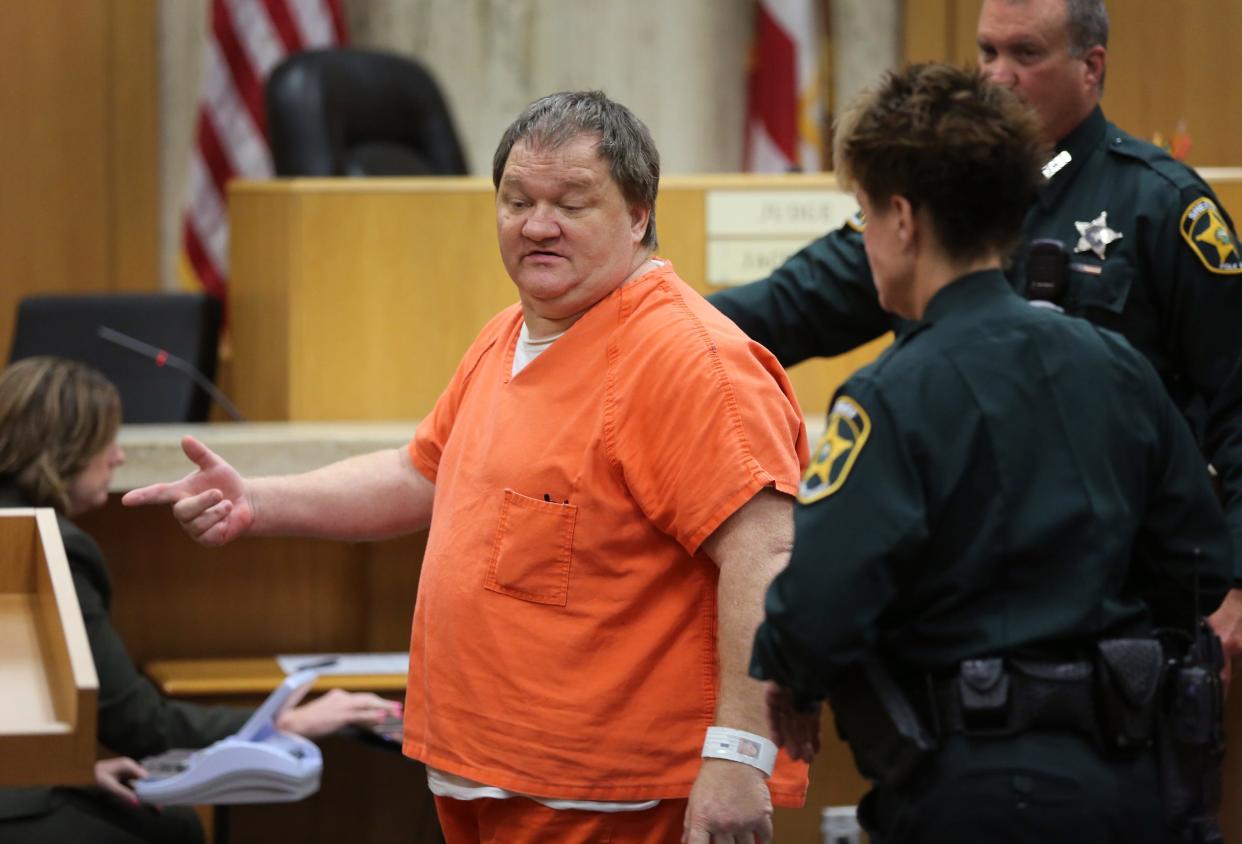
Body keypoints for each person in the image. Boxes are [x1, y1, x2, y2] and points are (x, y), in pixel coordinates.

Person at [124, 91, 810, 843]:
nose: (536, 225)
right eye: (517, 200)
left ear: (639, 213)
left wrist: (739, 754)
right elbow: (420, 473)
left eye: (571, 203)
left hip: (611, 796)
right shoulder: (509, 332)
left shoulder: (688, 359)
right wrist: (256, 500)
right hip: (487, 773)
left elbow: (767, 557)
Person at [747, 63, 1233, 843]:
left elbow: (817, 607)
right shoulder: (1118, 369)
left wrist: (794, 680)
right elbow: (1196, 564)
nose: (866, 239)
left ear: (903, 220)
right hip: (1132, 781)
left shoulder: (889, 399)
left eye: (866, 216)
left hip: (968, 786)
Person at [710, 0, 1242, 670]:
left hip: (1114, 600)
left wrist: (1237, 580)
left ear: (1091, 67)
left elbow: (1235, 404)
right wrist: (646, 320)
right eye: (988, 52)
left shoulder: (1159, 206)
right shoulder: (941, 189)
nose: (998, 75)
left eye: (1026, 54)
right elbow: (789, 304)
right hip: (962, 609)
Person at [0, 357, 400, 844]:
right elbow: (139, 723)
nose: (119, 457)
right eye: (107, 438)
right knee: (174, 828)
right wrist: (279, 722)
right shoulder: (44, 545)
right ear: (65, 445)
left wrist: (73, 770)